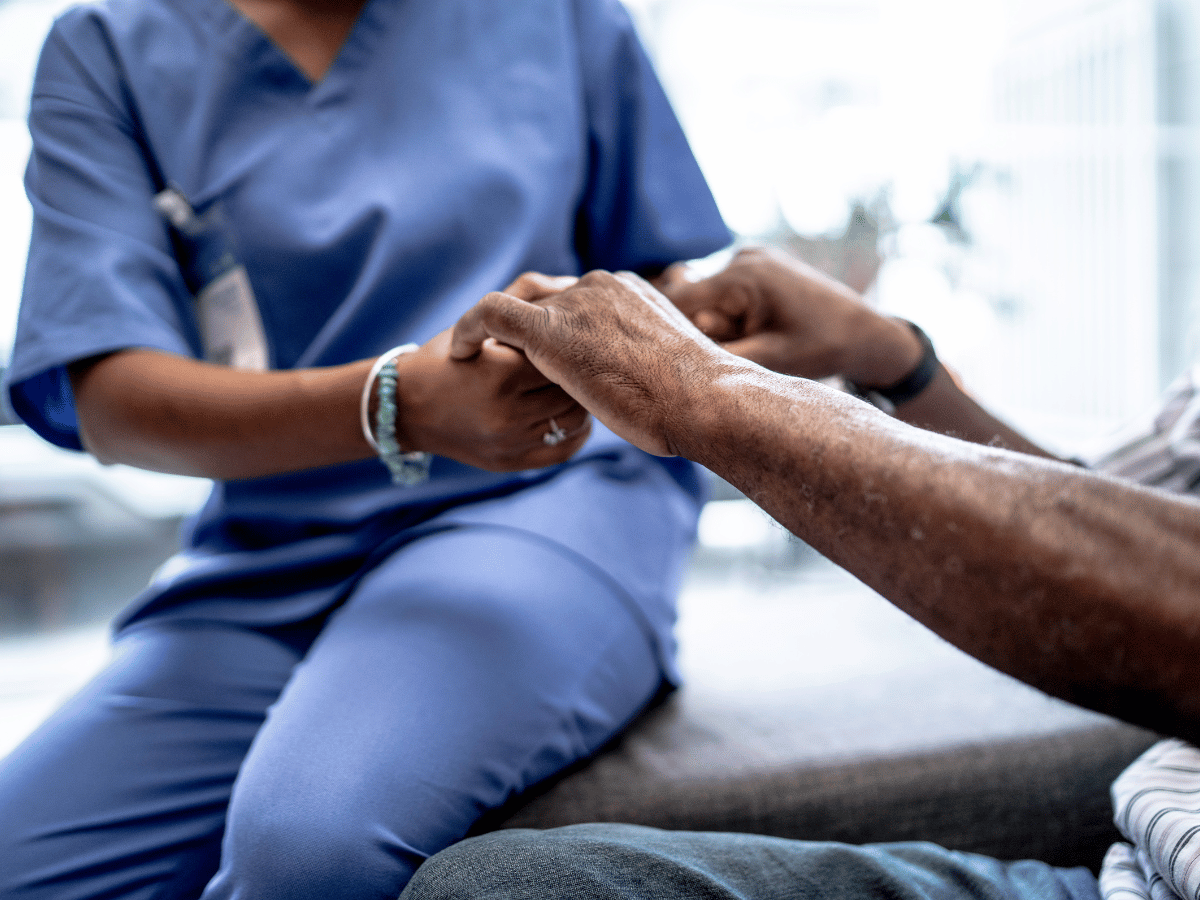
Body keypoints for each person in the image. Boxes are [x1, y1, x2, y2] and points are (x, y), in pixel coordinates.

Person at [0, 1, 731, 898]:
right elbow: (109, 394)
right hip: (272, 556)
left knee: (309, 851)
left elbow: (663, 294)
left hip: (544, 504)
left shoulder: (557, 16)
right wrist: (399, 404)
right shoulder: (110, 46)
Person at [395, 247, 1200, 900]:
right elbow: (1110, 524)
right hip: (1128, 875)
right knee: (497, 890)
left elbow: (1151, 591)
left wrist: (708, 394)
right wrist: (892, 356)